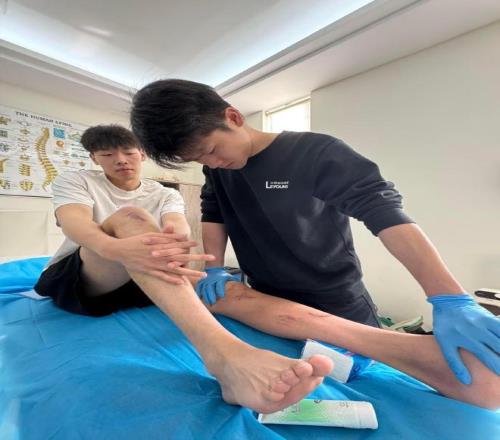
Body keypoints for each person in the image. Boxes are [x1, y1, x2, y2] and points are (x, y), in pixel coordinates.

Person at [130, 79, 500, 386]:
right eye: (200, 160)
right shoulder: (217, 170)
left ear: (234, 117)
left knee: (395, 380)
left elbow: (384, 212)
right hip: (267, 300)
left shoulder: (314, 152)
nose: (212, 163)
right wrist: (212, 267)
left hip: (336, 300)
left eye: (211, 150)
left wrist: (448, 296)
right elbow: (214, 211)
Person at [33, 124, 333, 415]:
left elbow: (177, 227)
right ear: (94, 158)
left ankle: (362, 338)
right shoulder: (76, 180)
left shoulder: (164, 193)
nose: (121, 160)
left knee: (227, 291)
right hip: (83, 278)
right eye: (108, 154)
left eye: (129, 152)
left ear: (142, 154)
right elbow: (75, 222)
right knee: (131, 217)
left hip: (140, 276)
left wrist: (180, 252)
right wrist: (116, 248)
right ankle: (223, 358)